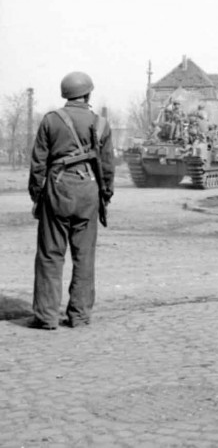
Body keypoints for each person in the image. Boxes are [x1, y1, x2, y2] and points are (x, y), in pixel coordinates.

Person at [28, 71, 115, 329]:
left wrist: (37, 195)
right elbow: (108, 168)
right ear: (88, 93)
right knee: (84, 256)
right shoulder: (101, 124)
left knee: (50, 255)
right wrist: (105, 197)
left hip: (57, 190)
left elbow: (38, 165)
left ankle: (46, 317)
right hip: (88, 191)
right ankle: (79, 315)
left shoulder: (51, 120)